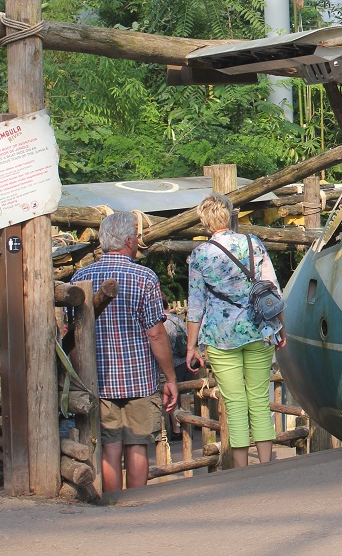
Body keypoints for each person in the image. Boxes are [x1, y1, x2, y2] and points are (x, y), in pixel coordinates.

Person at [72, 211, 179, 492]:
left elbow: (70, 330)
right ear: (130, 240)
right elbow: (156, 333)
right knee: (138, 444)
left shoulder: (82, 276)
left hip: (99, 378)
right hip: (139, 379)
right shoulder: (144, 277)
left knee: (110, 446)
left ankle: (112, 503)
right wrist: (170, 377)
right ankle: (136, 503)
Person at [186, 193, 285, 467]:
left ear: (204, 221)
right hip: (260, 329)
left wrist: (191, 346)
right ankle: (266, 463)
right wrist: (281, 327)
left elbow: (196, 305)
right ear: (230, 215)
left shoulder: (200, 255)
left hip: (221, 336)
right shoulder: (253, 244)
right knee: (259, 398)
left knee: (235, 404)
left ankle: (241, 471)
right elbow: (271, 288)